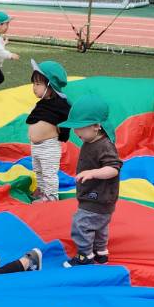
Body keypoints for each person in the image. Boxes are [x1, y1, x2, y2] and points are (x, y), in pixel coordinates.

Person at [62, 97, 123, 267]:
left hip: (98, 196)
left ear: (96, 126)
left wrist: (93, 172)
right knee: (99, 224)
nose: (75, 131)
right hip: (97, 195)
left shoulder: (104, 145)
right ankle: (100, 253)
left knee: (81, 223)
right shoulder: (91, 140)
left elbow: (114, 168)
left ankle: (85, 256)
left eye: (79, 127)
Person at [27, 59, 71, 202]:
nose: (34, 87)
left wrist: (61, 133)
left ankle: (51, 196)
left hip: (49, 147)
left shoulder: (60, 105)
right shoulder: (42, 103)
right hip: (36, 146)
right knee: (38, 170)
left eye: (38, 84)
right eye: (34, 83)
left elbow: (67, 120)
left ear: (50, 85)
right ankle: (42, 190)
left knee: (48, 172)